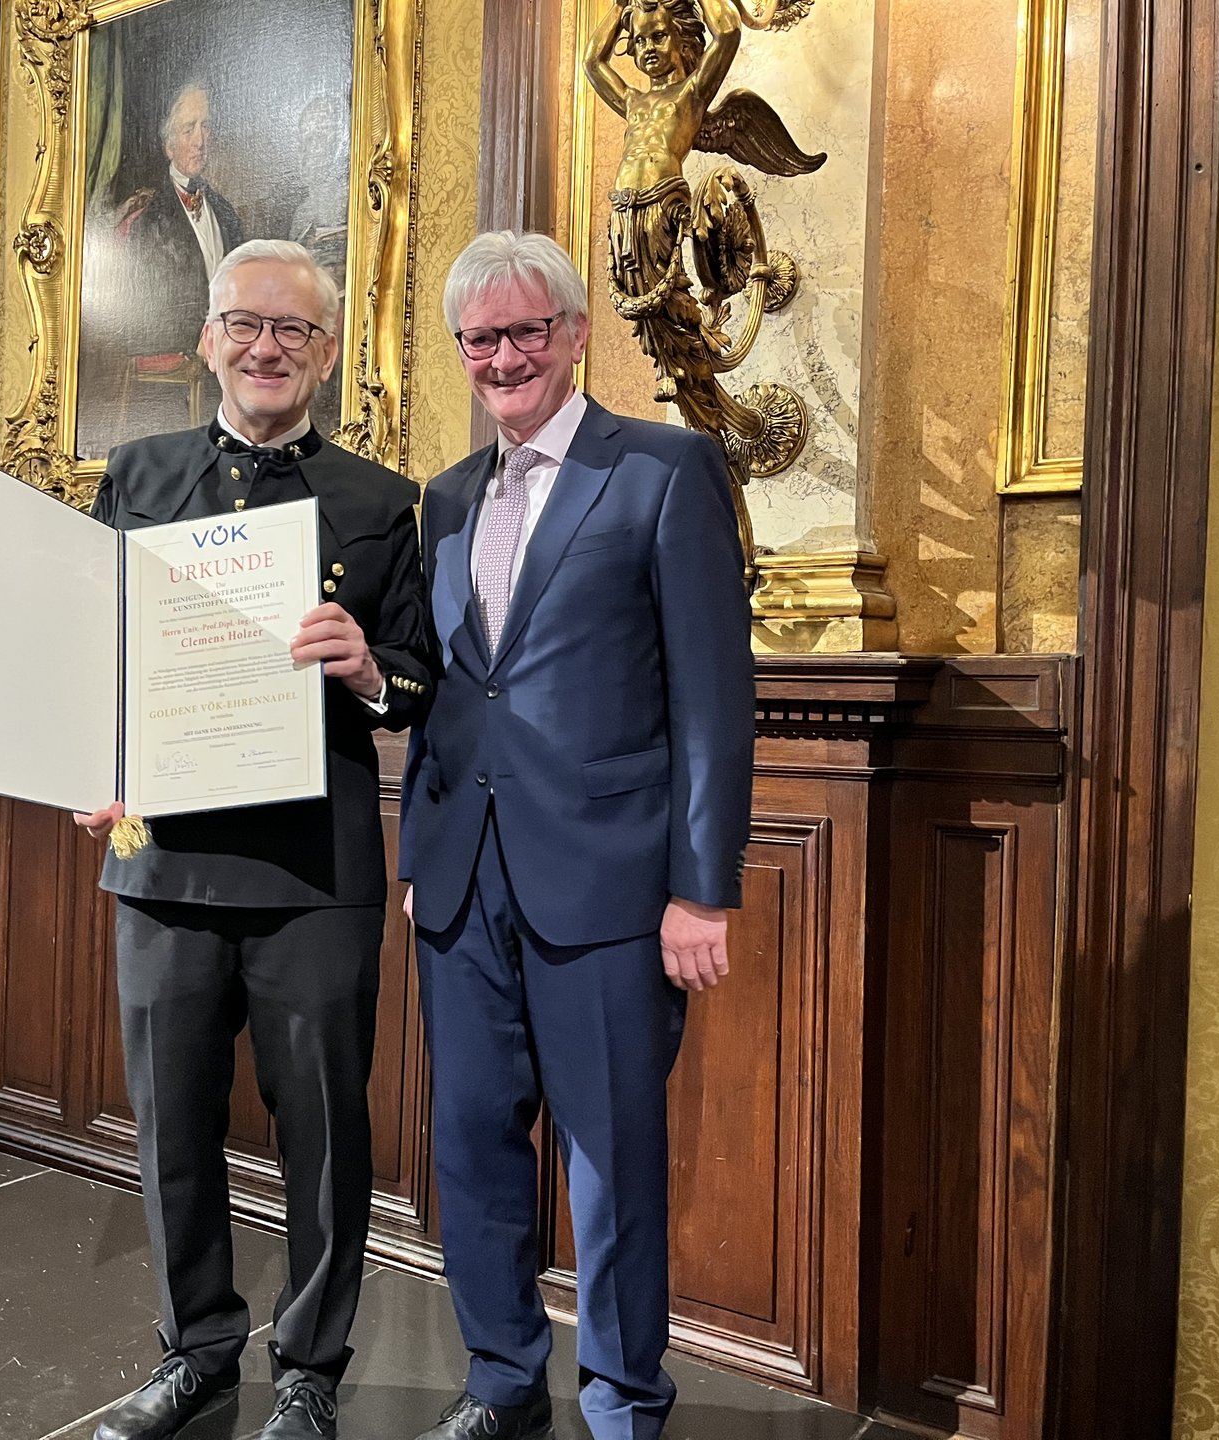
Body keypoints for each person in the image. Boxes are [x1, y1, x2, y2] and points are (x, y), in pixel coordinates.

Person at [398, 230, 754, 1440]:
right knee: (471, 1147)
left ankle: (620, 1399)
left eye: (526, 330)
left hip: (608, 886)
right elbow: (456, 690)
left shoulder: (662, 471)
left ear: (576, 330)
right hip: (461, 885)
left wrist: (703, 893)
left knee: (610, 1166)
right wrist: (416, 861)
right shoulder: (443, 498)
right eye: (481, 339)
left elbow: (713, 699)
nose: (504, 357)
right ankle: (502, 1384)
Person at [75, 238, 434, 1440]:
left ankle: (312, 1368)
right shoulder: (136, 473)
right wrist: (86, 764)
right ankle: (196, 1350)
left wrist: (370, 667)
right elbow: (92, 655)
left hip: (315, 868)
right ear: (211, 334)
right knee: (172, 1118)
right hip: (159, 854)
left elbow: (428, 678)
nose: (267, 347)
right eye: (245, 325)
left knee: (325, 1128)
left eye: (294, 331)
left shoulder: (387, 503)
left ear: (326, 352)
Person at [106, 81, 246, 440]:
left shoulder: (226, 214)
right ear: (169, 145)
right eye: (189, 129)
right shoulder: (149, 220)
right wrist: (197, 337)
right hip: (189, 352)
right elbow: (142, 312)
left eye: (206, 126)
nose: (200, 139)